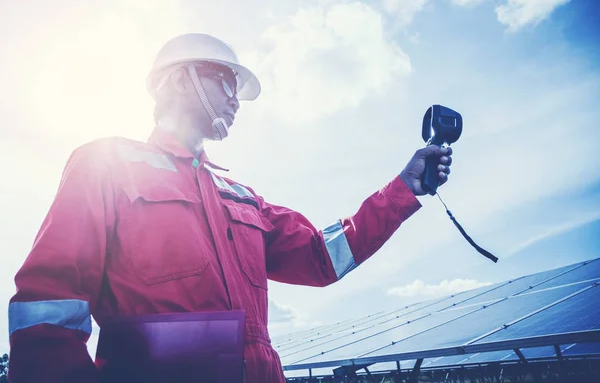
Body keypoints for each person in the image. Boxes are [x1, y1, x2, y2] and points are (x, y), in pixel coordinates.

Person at [7, 33, 453, 383]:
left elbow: (322, 257)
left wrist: (402, 189)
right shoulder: (106, 165)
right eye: (226, 81)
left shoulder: (239, 193)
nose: (236, 99)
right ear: (180, 77)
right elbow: (49, 308)